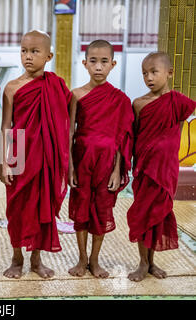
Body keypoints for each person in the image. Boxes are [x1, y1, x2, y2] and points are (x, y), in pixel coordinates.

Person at [0, 30, 71, 279]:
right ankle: (17, 258)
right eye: (24, 50)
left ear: (48, 55)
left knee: (43, 208)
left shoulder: (57, 85)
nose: (28, 56)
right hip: (19, 157)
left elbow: (65, 121)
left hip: (47, 160)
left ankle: (37, 259)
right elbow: (5, 126)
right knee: (17, 209)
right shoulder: (11, 87)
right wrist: (4, 163)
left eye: (34, 51)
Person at [67, 40, 134, 278]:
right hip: (82, 160)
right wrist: (70, 166)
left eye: (104, 61)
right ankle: (81, 259)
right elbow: (70, 133)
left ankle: (95, 260)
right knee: (81, 208)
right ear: (84, 63)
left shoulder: (120, 99)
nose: (98, 66)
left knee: (102, 210)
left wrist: (117, 170)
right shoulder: (75, 95)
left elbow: (121, 138)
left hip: (107, 164)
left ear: (112, 64)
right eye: (93, 61)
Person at [127, 52, 195, 282]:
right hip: (145, 170)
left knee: (158, 215)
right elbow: (133, 136)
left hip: (166, 171)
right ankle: (142, 262)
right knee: (142, 215)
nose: (149, 77)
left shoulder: (179, 101)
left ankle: (152, 262)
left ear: (169, 72)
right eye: (144, 73)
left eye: (154, 72)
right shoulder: (138, 104)